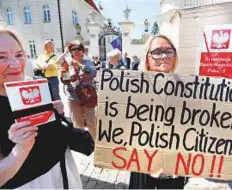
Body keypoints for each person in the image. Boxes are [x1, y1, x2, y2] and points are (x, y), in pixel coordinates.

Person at [0, 28, 93, 189]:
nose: (15, 64)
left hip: (63, 172)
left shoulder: (36, 84)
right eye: (1, 57)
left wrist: (57, 114)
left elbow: (49, 129)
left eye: (19, 54)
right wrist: (21, 148)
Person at [129, 34, 186, 189]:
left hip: (174, 163)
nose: (164, 56)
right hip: (142, 162)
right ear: (147, 58)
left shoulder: (188, 88)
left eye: (169, 51)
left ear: (175, 56)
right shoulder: (131, 87)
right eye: (157, 52)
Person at [57, 40, 97, 139]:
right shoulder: (67, 64)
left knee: (92, 123)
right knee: (77, 124)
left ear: (83, 51)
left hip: (88, 97)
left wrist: (78, 65)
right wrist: (64, 74)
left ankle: (94, 143)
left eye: (79, 48)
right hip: (73, 98)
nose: (76, 51)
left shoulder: (88, 62)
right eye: (73, 49)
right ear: (70, 51)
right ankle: (84, 144)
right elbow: (66, 81)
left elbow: (92, 73)